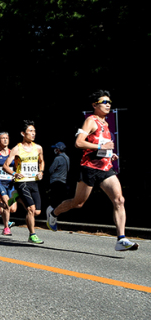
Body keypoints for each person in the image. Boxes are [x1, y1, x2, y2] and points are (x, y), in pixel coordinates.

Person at [46, 90, 138, 251]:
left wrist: (110, 154)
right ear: (95, 105)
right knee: (78, 203)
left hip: (106, 168)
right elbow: (79, 143)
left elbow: (101, 147)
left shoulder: (106, 124)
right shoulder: (91, 120)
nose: (108, 104)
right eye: (104, 102)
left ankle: (121, 239)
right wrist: (102, 146)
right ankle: (53, 214)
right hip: (89, 167)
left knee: (119, 200)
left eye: (109, 102)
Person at [3, 120, 45, 244]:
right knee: (31, 209)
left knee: (37, 211)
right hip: (22, 182)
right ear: (23, 133)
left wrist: (41, 172)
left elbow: (41, 161)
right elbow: (5, 166)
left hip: (33, 181)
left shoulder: (38, 148)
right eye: (30, 131)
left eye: (34, 131)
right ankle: (32, 235)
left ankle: (17, 197)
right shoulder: (16, 149)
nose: (33, 134)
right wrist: (15, 174)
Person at [47, 142, 70, 210]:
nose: (55, 150)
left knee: (54, 200)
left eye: (56, 148)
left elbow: (50, 170)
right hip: (63, 182)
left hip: (55, 182)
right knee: (60, 200)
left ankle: (52, 215)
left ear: (58, 149)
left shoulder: (58, 158)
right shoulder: (67, 158)